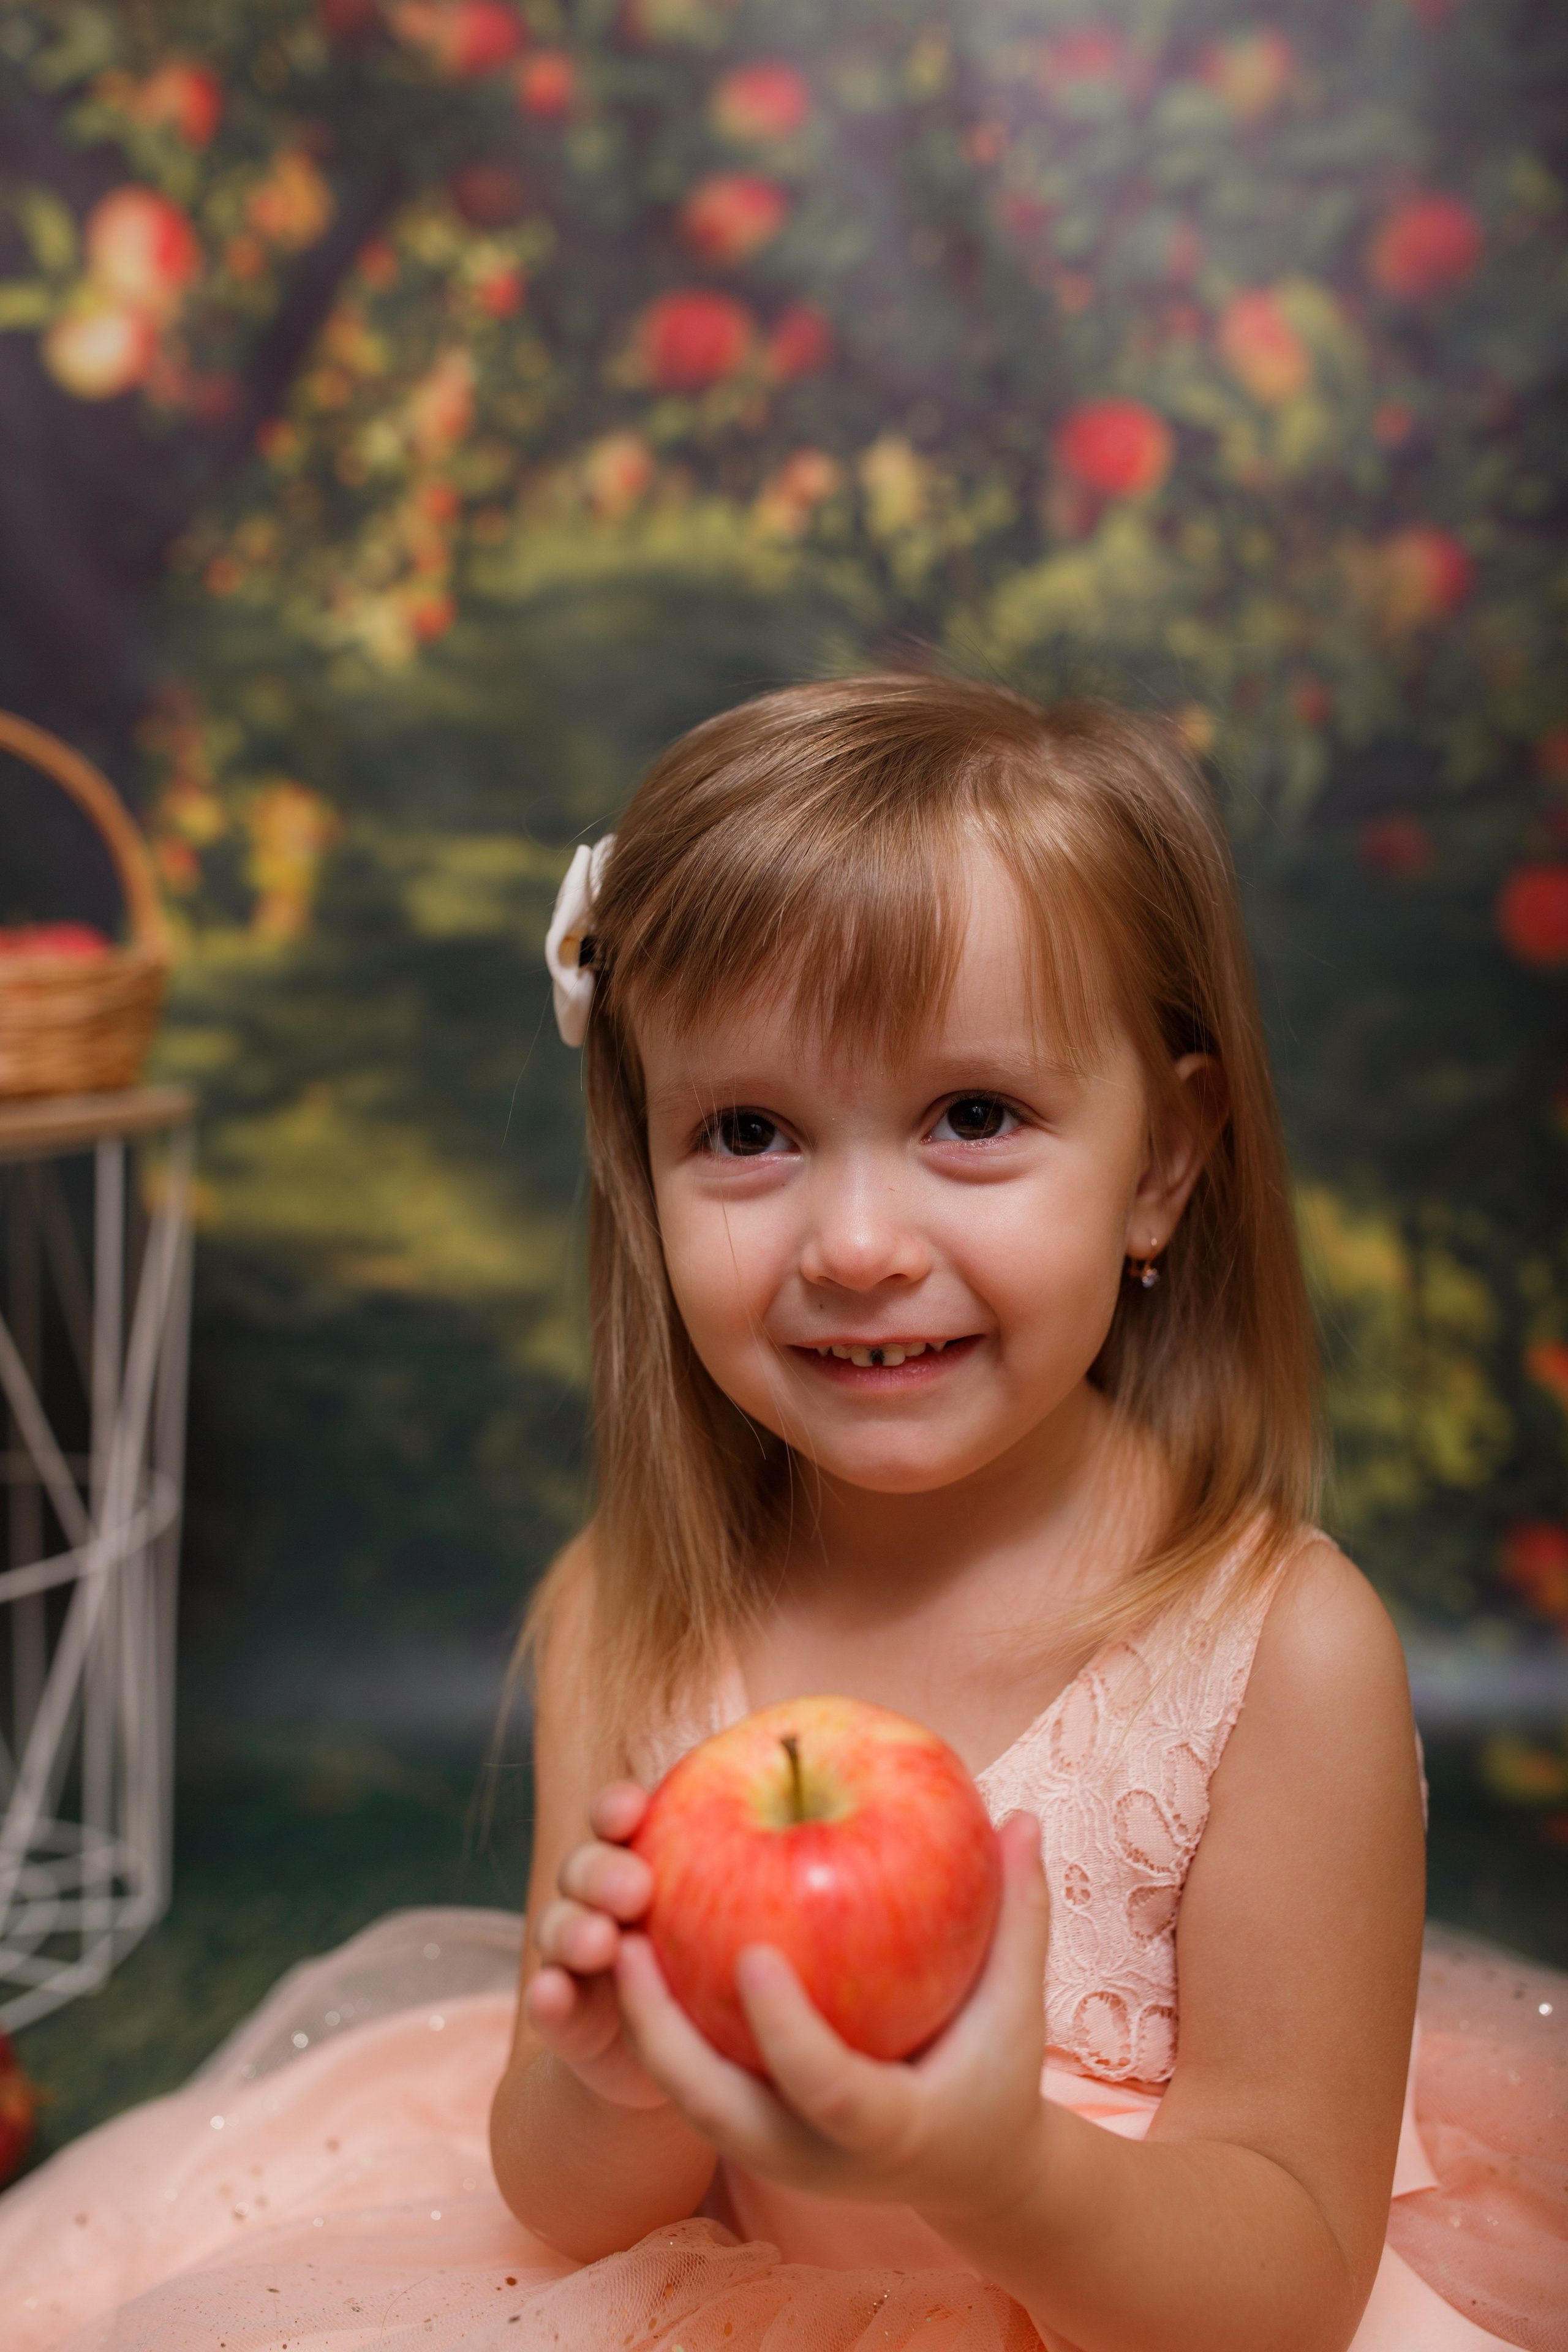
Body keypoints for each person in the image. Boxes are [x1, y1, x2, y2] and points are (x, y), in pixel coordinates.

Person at [1, 678, 1561, 2352]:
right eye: (748, 1132)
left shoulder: (1281, 1655)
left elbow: (1292, 2283)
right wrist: (618, 2090)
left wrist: (1000, 2171)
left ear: (1165, 1163)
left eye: (973, 1116)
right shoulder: (631, 1603)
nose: (858, 1244)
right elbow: (569, 2196)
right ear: (642, 1167)